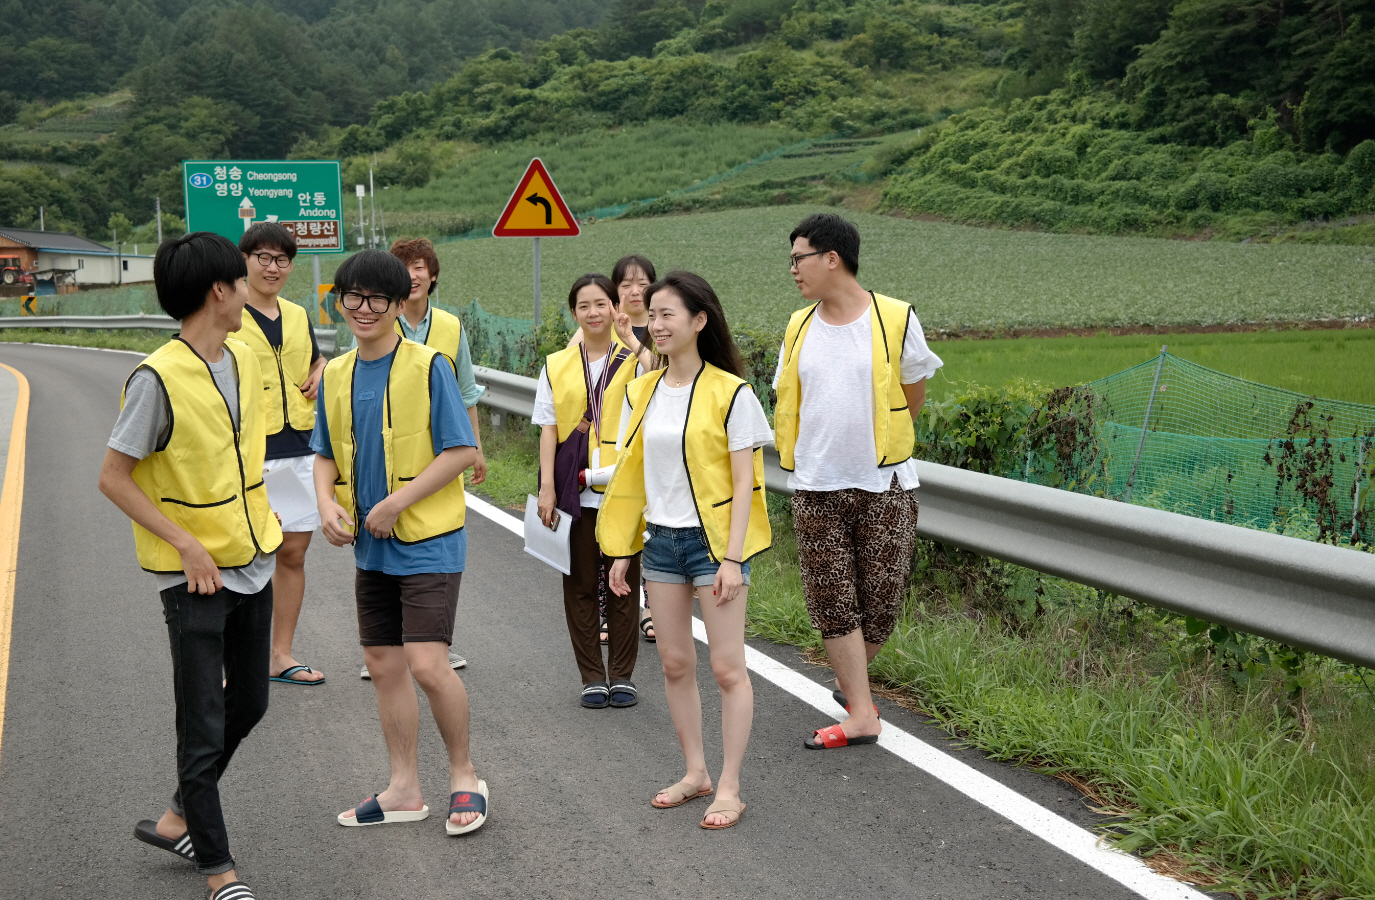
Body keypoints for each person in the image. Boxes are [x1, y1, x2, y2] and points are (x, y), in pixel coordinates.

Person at [99, 232, 283, 900]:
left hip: (251, 557)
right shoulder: (156, 379)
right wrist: (185, 543)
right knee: (201, 723)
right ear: (218, 291)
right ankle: (218, 870)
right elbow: (113, 477)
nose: (250, 290)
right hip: (194, 576)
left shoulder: (242, 356)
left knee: (251, 701)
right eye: (242, 280)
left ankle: (180, 812)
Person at [313, 249, 489, 836]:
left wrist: (395, 503)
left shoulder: (428, 365)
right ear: (340, 303)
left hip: (428, 539)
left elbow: (461, 451)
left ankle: (465, 776)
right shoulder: (336, 373)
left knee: (428, 664)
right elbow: (324, 453)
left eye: (377, 299)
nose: (364, 309)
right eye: (353, 297)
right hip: (371, 546)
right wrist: (326, 503)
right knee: (383, 664)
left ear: (397, 305)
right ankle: (404, 788)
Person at [601, 271, 773, 830]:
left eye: (667, 314)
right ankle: (696, 772)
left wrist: (732, 558)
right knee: (675, 664)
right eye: (651, 315)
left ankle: (730, 786)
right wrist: (623, 547)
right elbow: (632, 476)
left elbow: (747, 484)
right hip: (659, 542)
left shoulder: (732, 393)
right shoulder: (641, 390)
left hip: (712, 546)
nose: (656, 324)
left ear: (699, 320)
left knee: (726, 668)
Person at [772, 213, 943, 750]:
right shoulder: (798, 326)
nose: (792, 269)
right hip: (816, 483)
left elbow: (913, 391)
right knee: (833, 602)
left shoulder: (895, 318)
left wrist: (880, 441)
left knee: (882, 605)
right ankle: (862, 714)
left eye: (798, 258)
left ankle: (854, 690)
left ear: (832, 258)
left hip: (885, 482)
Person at [356, 237, 480, 679]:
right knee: (385, 547)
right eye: (404, 267)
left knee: (432, 539)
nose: (413, 274)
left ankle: (432, 644)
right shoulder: (374, 319)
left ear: (432, 274)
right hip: (387, 454)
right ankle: (390, 648)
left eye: (419, 266)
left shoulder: (450, 326)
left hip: (439, 451)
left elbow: (465, 392)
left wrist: (476, 448)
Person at [534, 274, 643, 709]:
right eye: (584, 306)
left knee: (623, 585)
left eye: (602, 304)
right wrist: (546, 487)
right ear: (573, 313)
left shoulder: (635, 358)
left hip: (624, 490)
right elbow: (548, 428)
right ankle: (592, 676)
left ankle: (623, 675)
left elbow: (664, 375)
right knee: (579, 584)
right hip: (573, 489)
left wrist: (630, 338)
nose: (594, 313)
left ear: (615, 307)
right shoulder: (556, 364)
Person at [236, 222, 327, 686]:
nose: (273, 268)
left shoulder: (296, 314)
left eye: (282, 260)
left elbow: (313, 359)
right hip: (249, 452)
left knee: (293, 553)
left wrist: (322, 367)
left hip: (300, 447)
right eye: (264, 258)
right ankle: (236, 663)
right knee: (243, 556)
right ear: (245, 260)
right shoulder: (228, 311)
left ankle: (280, 655)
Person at [569, 255, 659, 643]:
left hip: (651, 448)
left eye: (643, 284)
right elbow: (570, 372)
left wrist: (633, 341)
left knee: (648, 531)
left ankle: (651, 607)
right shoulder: (597, 328)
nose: (635, 292)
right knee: (609, 530)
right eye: (625, 285)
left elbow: (661, 373)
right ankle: (608, 610)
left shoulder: (661, 326)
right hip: (607, 452)